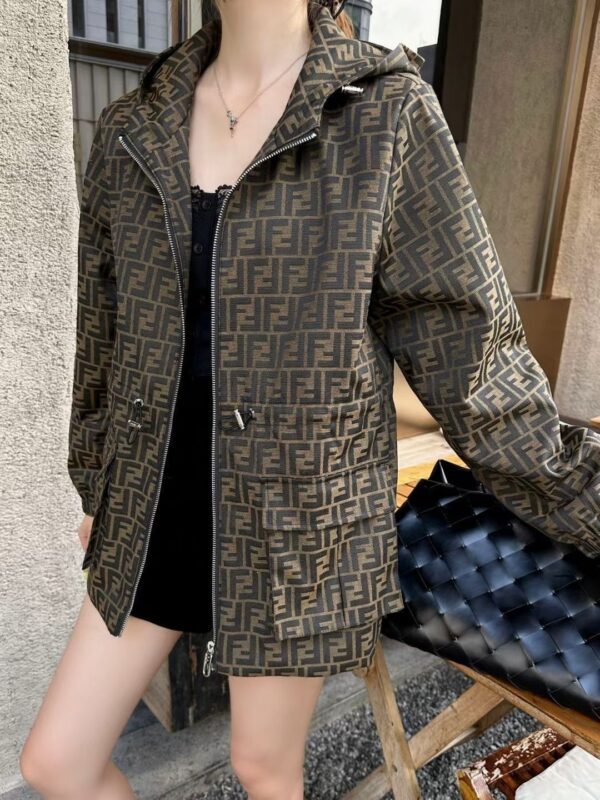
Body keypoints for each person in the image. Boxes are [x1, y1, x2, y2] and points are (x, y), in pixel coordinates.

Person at [20, 0, 600, 798]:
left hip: (296, 514)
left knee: (263, 766)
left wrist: (581, 493)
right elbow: (103, 337)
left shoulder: (384, 113)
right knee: (56, 762)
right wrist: (99, 486)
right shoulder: (134, 125)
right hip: (154, 499)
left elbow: (471, 353)